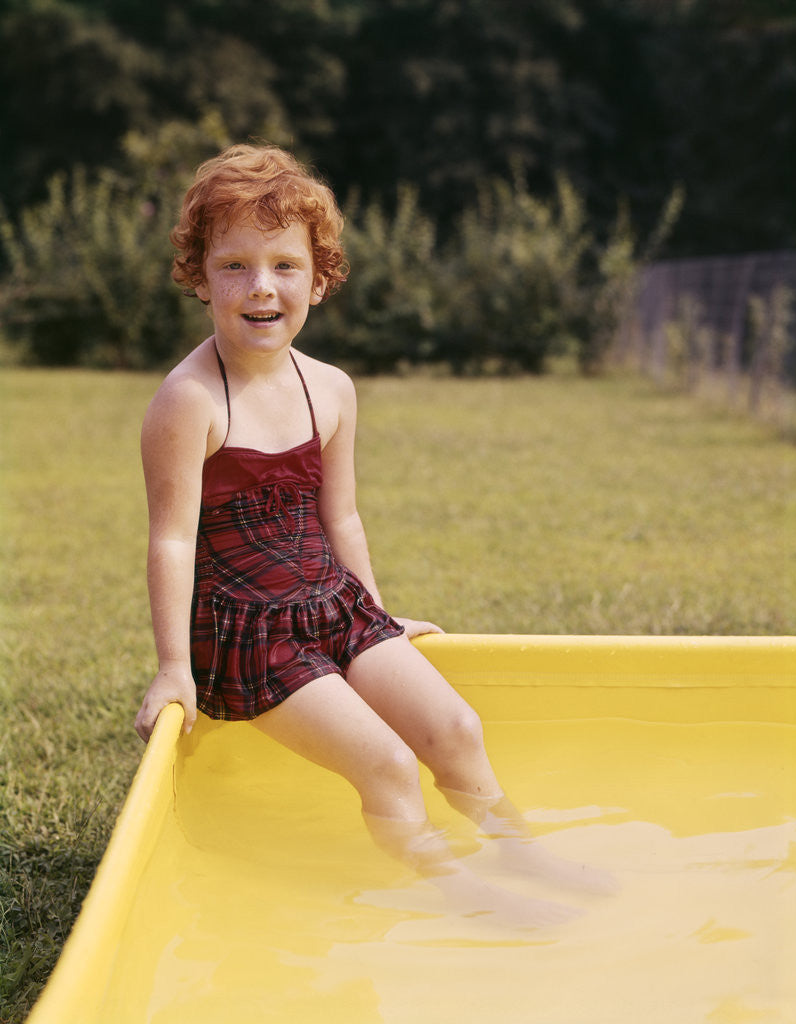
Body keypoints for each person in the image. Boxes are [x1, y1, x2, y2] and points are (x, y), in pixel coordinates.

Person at [134, 144, 610, 926]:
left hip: (332, 605)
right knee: (387, 762)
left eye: (285, 265)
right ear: (199, 277)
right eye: (234, 266)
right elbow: (171, 542)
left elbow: (341, 518)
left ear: (319, 279)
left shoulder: (330, 390)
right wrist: (171, 670)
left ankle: (519, 851)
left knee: (455, 728)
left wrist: (376, 620)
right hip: (247, 633)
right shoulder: (188, 401)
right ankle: (457, 892)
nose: (261, 286)